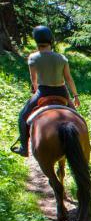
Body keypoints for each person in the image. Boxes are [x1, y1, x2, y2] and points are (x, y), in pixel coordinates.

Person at [11, 25, 80, 156]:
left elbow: (34, 80)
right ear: (51, 40)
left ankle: (24, 148)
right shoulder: (61, 58)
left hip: (43, 92)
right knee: (77, 117)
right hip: (62, 92)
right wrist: (75, 95)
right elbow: (69, 79)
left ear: (36, 40)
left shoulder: (33, 58)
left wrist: (35, 90)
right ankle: (85, 143)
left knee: (22, 116)